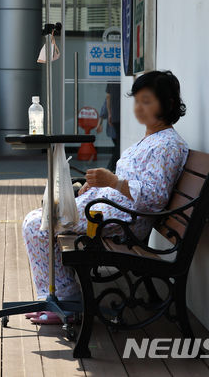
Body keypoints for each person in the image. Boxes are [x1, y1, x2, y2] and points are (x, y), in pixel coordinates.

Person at [21, 71, 188, 324]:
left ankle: (66, 301)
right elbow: (130, 183)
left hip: (125, 222)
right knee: (42, 217)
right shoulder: (152, 140)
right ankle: (56, 298)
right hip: (109, 210)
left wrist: (111, 182)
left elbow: (154, 197)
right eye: (137, 101)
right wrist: (97, 185)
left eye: (147, 101)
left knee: (37, 225)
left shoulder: (167, 145)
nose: (139, 108)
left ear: (168, 104)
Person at [97, 82, 121, 172]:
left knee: (118, 145)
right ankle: (111, 168)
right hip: (120, 117)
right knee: (119, 145)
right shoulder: (118, 80)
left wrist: (109, 115)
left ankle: (110, 168)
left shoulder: (112, 81)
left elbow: (107, 98)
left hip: (114, 117)